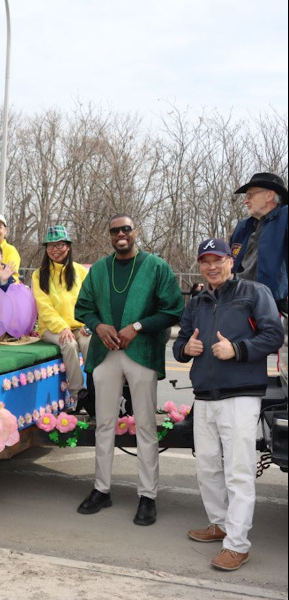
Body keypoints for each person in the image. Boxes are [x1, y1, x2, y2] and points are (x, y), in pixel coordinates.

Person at [173, 238, 282, 571]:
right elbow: (181, 340)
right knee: (207, 466)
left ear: (230, 262)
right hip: (205, 394)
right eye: (205, 261)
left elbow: (274, 335)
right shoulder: (197, 300)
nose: (211, 267)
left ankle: (237, 544)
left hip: (241, 394)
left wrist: (237, 350)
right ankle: (219, 523)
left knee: (238, 470)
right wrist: (185, 350)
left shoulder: (254, 292)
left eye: (217, 260)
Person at [74, 214, 184, 526]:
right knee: (104, 423)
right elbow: (83, 308)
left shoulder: (156, 267)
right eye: (114, 230)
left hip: (141, 353)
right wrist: (98, 325)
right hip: (106, 352)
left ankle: (147, 496)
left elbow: (173, 309)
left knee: (146, 425)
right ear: (109, 236)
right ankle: (101, 489)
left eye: (126, 229)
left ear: (135, 232)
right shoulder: (98, 270)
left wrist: (137, 326)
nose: (121, 234)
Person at [230, 172, 288, 395]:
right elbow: (230, 261)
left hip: (269, 302)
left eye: (251, 194)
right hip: (236, 298)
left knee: (255, 350)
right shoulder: (244, 226)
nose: (245, 199)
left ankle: (249, 400)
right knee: (223, 348)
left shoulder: (284, 216)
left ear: (270, 195)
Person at [31, 225, 91, 401]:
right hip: (51, 329)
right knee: (69, 344)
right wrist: (62, 327)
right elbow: (44, 307)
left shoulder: (81, 271)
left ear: (68, 246)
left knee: (90, 343)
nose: (55, 250)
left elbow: (89, 301)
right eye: (50, 246)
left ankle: (96, 389)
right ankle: (78, 395)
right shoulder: (39, 274)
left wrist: (88, 324)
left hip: (79, 326)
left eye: (59, 245)